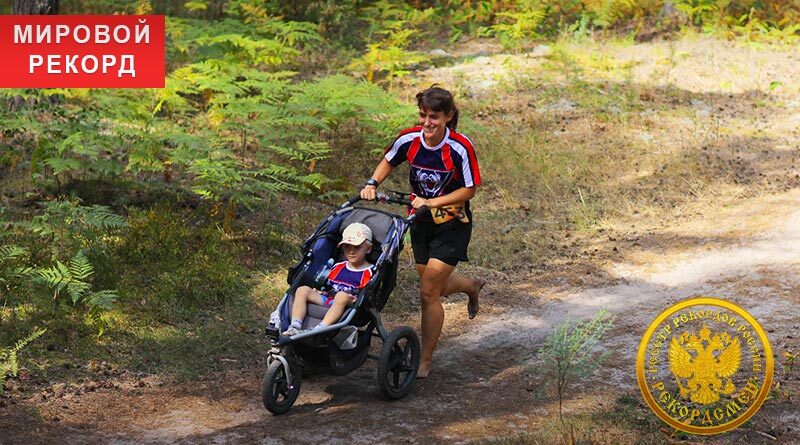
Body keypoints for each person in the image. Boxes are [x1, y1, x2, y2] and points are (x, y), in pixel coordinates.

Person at [360, 85, 484, 378]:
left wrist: (432, 201)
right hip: (419, 221)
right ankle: (470, 286)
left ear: (448, 117)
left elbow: (470, 190)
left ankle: (425, 360)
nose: (428, 123)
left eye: (435, 117)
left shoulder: (460, 147)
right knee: (434, 285)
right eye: (424, 116)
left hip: (453, 222)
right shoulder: (409, 139)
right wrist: (372, 183)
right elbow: (388, 160)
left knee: (428, 291)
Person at [283, 223, 374, 337]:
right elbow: (329, 287)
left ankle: (320, 328)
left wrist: (354, 298)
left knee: (341, 296)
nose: (351, 251)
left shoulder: (369, 272)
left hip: (349, 302)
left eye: (357, 247)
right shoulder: (338, 267)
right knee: (302, 290)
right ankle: (295, 326)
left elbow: (365, 295)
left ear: (368, 249)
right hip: (329, 298)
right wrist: (321, 292)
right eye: (347, 247)